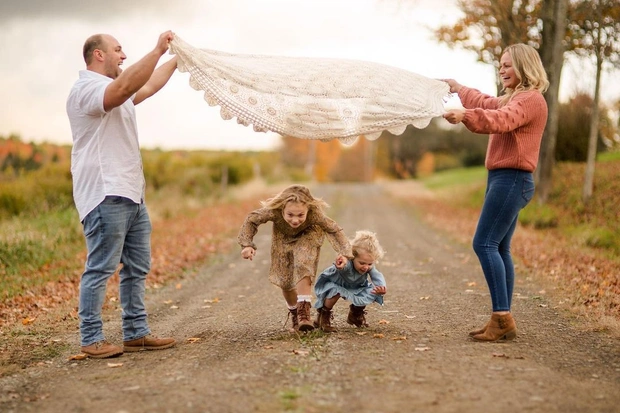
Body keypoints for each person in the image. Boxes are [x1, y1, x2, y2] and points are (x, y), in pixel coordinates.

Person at [66, 31, 179, 358]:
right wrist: (157, 49)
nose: (123, 55)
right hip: (104, 193)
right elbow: (124, 87)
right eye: (118, 50)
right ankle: (91, 339)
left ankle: (136, 332)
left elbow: (147, 85)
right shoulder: (86, 90)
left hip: (131, 192)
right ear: (98, 55)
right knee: (100, 267)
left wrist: (176, 60)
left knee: (137, 267)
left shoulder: (118, 89)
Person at [442, 43, 549, 342]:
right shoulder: (515, 97)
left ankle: (502, 317)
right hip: (503, 178)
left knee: (484, 244)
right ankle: (502, 317)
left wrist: (465, 116)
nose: (502, 69)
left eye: (508, 65)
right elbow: (488, 103)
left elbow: (500, 120)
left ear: (525, 66)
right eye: (500, 65)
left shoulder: (530, 100)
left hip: (512, 179)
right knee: (499, 248)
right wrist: (459, 88)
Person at [237, 184, 353, 332]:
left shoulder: (314, 213)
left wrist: (345, 253)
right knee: (285, 281)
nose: (295, 220)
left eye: (300, 215)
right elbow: (252, 220)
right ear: (283, 209)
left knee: (303, 261)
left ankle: (304, 313)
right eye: (290, 215)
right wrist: (247, 245)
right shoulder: (274, 211)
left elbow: (334, 229)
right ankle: (295, 314)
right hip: (282, 239)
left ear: (307, 210)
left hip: (308, 235)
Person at [314, 230, 387, 332]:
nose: (366, 267)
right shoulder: (348, 262)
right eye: (362, 263)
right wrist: (341, 265)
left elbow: (377, 276)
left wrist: (381, 287)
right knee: (333, 294)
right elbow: (345, 267)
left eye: (369, 264)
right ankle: (323, 316)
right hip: (337, 284)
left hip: (356, 287)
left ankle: (355, 314)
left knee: (369, 291)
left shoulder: (368, 267)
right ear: (353, 257)